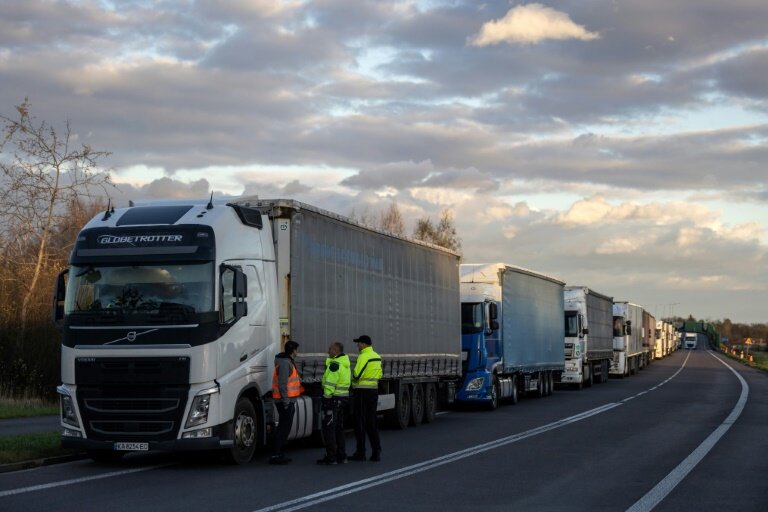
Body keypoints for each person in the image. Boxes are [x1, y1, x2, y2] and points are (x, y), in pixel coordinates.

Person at [316, 341, 351, 465]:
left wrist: (326, 398)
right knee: (339, 429)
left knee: (329, 428)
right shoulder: (345, 364)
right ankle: (342, 456)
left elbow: (330, 385)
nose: (328, 351)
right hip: (342, 399)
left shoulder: (335, 365)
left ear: (336, 351)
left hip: (332, 400)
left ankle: (331, 457)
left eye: (330, 349)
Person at [349, 335, 383, 462]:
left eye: (358, 343)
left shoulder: (364, 356)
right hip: (373, 391)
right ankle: (376, 451)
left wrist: (352, 381)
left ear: (364, 344)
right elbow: (380, 374)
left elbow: (357, 374)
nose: (357, 345)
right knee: (372, 422)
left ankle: (361, 452)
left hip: (361, 392)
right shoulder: (377, 356)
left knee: (360, 422)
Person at [269, 340, 302, 465]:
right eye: (296, 350)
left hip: (285, 400)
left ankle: (279, 453)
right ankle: (277, 454)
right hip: (284, 401)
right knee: (283, 428)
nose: (297, 352)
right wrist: (286, 402)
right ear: (293, 350)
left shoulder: (286, 361)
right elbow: (283, 384)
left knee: (284, 427)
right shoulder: (284, 363)